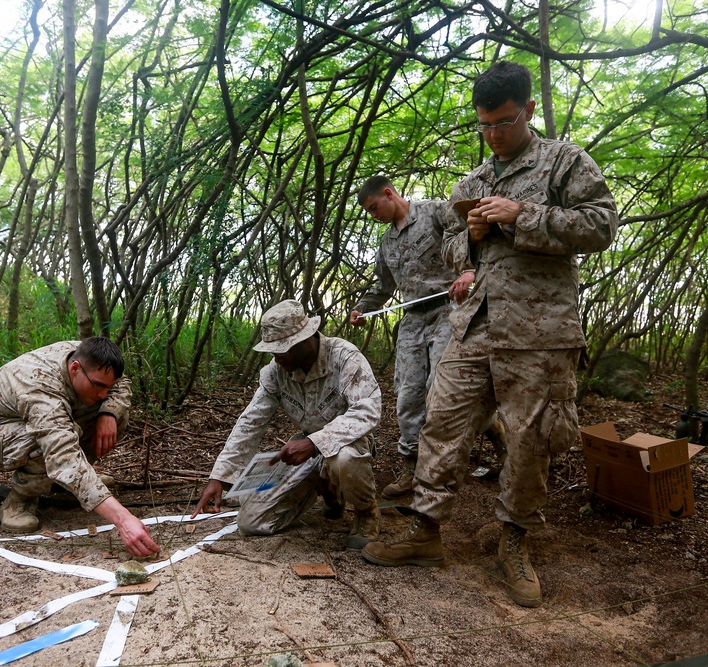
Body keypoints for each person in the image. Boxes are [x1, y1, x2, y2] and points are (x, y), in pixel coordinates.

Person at [362, 61, 618, 608]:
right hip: (474, 325)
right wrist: (472, 236)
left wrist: (523, 214)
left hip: (539, 332)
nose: (494, 134)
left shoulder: (564, 163)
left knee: (529, 438)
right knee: (441, 420)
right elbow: (452, 251)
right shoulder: (472, 182)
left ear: (527, 110)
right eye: (484, 125)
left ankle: (514, 539)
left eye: (503, 122)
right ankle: (425, 529)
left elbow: (601, 226)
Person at [192, 299, 383, 550]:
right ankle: (328, 491)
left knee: (343, 459)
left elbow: (367, 411)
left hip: (348, 443)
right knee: (251, 523)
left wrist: (315, 443)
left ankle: (366, 512)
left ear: (305, 340)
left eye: (283, 350)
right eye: (273, 351)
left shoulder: (344, 357)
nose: (277, 357)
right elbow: (251, 423)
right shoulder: (275, 371)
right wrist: (220, 477)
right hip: (305, 449)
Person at [0, 337, 160, 557]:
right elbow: (63, 453)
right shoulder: (40, 386)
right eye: (99, 386)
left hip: (26, 424)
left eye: (106, 387)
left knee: (115, 414)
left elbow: (120, 383)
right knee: (42, 441)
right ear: (75, 369)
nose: (103, 393)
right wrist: (123, 519)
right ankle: (20, 501)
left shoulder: (87, 357)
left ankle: (65, 483)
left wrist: (109, 412)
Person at [350, 177, 476, 500]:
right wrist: (362, 308)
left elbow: (468, 240)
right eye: (368, 212)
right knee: (408, 394)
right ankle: (411, 466)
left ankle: (446, 463)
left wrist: (468, 270)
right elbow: (382, 285)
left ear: (389, 194)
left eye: (374, 207)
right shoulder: (386, 243)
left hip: (448, 310)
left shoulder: (434, 212)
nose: (373, 215)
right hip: (413, 321)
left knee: (441, 388)